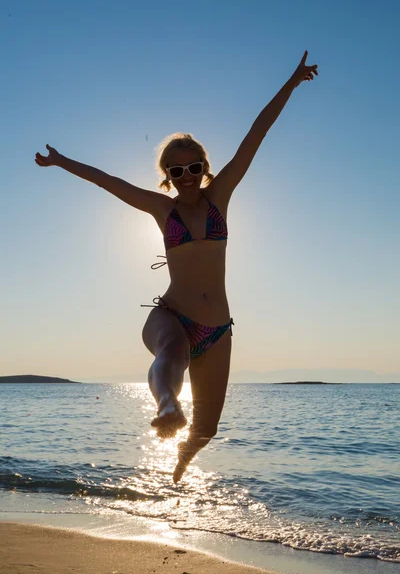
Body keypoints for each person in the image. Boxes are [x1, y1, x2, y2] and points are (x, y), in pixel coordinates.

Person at [35, 51, 318, 482]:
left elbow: (256, 134)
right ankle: (167, 404)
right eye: (176, 168)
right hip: (171, 316)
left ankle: (183, 458)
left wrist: (292, 83)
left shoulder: (219, 197)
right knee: (172, 353)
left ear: (205, 168)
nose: (186, 174)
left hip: (218, 330)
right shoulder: (161, 209)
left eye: (194, 166)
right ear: (166, 174)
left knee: (207, 428)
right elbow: (107, 181)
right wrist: (61, 161)